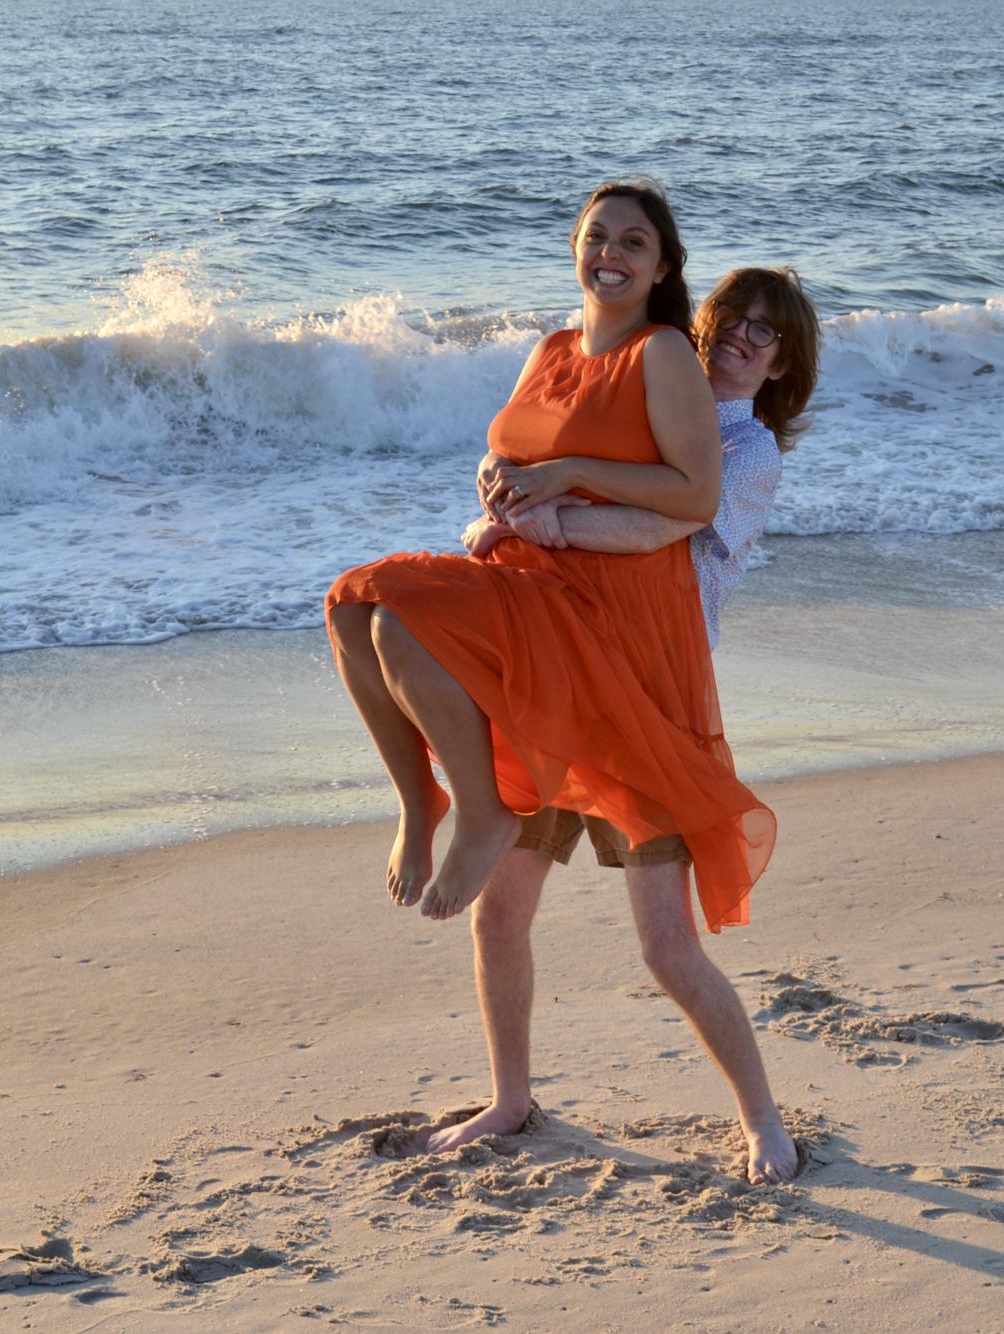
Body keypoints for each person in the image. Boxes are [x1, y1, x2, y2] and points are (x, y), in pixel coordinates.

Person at [324, 182, 783, 1182]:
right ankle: (435, 818)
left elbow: (691, 494)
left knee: (666, 947)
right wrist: (502, 482)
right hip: (529, 617)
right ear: (574, 249)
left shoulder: (661, 354)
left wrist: (561, 476)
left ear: (662, 267)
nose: (609, 253)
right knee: (363, 605)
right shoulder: (548, 348)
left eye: (632, 241)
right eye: (595, 237)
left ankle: (761, 1119)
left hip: (618, 658)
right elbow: (513, 455)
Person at [442, 269, 821, 1184]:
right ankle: (510, 1099)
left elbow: (667, 536)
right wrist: (505, 504)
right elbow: (550, 473)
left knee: (666, 947)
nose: (741, 340)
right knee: (499, 913)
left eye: (765, 335)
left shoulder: (746, 448)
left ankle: (765, 1120)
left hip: (648, 699)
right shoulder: (653, 404)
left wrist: (550, 515)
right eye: (733, 320)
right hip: (553, 678)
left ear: (781, 366)